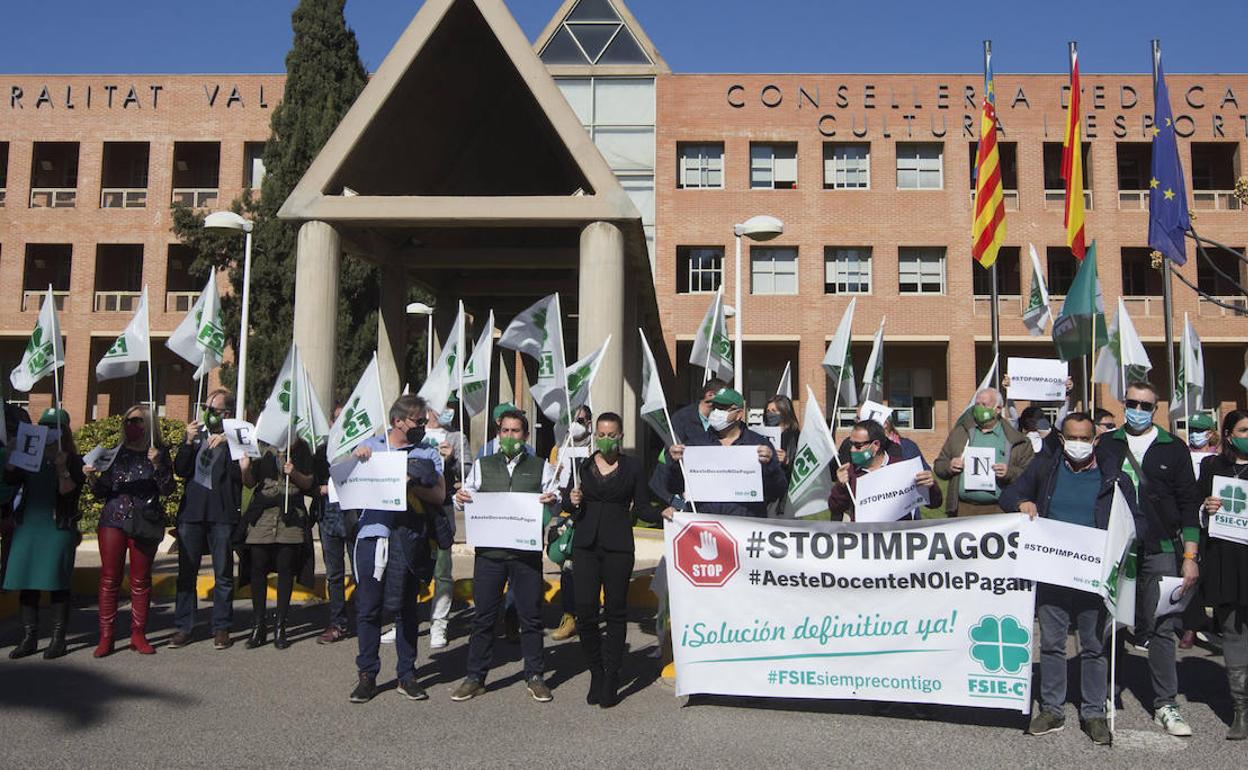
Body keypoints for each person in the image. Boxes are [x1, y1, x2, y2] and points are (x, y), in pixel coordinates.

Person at [1001, 413, 1141, 746]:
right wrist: (1022, 501)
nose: (1078, 444)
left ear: (1095, 440)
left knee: (1093, 646)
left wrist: (1121, 540)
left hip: (1093, 576)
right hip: (1052, 573)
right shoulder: (1044, 469)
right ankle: (1052, 709)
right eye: (1071, 438)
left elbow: (1138, 523)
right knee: (1051, 643)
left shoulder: (1116, 478)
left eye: (1085, 438)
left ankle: (1093, 713)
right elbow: (1008, 496)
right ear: (1062, 440)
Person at [1102, 381, 1201, 737]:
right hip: (1116, 548)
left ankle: (1165, 703)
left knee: (1162, 626)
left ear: (1155, 409)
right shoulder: (1107, 444)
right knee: (1111, 620)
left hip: (1159, 547)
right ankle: (1106, 690)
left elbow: (1190, 504)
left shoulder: (1172, 448)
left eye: (1146, 405)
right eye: (1133, 403)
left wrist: (1190, 556)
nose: (1139, 410)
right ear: (1123, 404)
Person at [452, 410, 560, 703]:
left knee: (531, 617)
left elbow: (556, 499)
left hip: (525, 555)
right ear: (498, 434)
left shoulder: (540, 467)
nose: (510, 437)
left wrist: (553, 500)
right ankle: (475, 677)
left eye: (516, 432)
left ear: (525, 436)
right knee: (484, 617)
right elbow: (464, 499)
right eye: (505, 431)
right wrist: (459, 498)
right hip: (490, 554)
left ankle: (535, 675)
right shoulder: (483, 465)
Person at [349, 394, 449, 704]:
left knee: (406, 608)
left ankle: (407, 674)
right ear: (398, 421)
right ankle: (367, 674)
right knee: (369, 608)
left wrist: (410, 483)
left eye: (424, 421)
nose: (422, 426)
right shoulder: (373, 447)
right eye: (418, 422)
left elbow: (439, 494)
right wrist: (356, 456)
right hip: (373, 536)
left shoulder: (427, 454)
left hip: (409, 537)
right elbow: (343, 479)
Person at [563, 412, 659, 707]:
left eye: (612, 435)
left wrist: (666, 512)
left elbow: (643, 507)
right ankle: (596, 670)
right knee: (586, 612)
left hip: (618, 547)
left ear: (621, 436)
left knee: (616, 612)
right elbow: (567, 505)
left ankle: (612, 676)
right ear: (595, 435)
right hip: (586, 547)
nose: (606, 439)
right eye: (601, 434)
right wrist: (571, 500)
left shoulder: (632, 467)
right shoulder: (582, 465)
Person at [85, 405, 174, 657]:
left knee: (140, 580)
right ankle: (107, 636)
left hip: (144, 520)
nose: (130, 425)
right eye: (127, 420)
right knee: (109, 579)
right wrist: (92, 478)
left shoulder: (158, 453)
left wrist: (158, 465)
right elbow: (102, 490)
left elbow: (167, 489)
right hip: (113, 518)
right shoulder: (115, 453)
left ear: (148, 425)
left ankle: (138, 633)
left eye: (136, 420)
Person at [4, 408, 85, 660]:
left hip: (57, 528)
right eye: (44, 426)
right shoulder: (30, 457)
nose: (49, 431)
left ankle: (58, 639)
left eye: (54, 427)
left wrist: (62, 468)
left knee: (56, 582)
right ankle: (29, 637)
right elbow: (10, 479)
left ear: (65, 431)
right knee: (27, 581)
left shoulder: (73, 460)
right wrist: (12, 455)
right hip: (29, 525)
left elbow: (69, 493)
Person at [170, 389, 243, 650]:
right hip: (192, 513)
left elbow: (241, 475)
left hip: (221, 514)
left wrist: (229, 444)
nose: (209, 414)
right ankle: (184, 626)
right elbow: (180, 470)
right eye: (207, 409)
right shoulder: (196, 435)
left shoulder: (235, 439)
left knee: (222, 573)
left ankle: (221, 627)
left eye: (215, 410)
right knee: (186, 574)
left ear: (226, 413)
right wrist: (187, 442)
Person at [1196, 409, 1248, 740]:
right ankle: (1241, 712)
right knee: (1233, 632)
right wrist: (1206, 508)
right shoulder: (1212, 467)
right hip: (1226, 562)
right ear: (1229, 434)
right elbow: (1195, 509)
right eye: (1244, 429)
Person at [237, 436, 316, 650]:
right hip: (262, 515)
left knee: (286, 570)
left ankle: (280, 627)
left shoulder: (301, 447)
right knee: (257, 569)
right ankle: (258, 626)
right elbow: (250, 482)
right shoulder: (262, 446)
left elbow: (308, 482)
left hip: (290, 516)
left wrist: (294, 473)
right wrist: (245, 468)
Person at [662, 388, 787, 519]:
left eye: (723, 408)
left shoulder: (758, 444)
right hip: (706, 524)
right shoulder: (696, 444)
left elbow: (777, 491)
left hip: (745, 524)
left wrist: (770, 465)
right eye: (714, 407)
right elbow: (674, 486)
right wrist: (675, 463)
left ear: (739, 414)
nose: (716, 412)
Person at [933, 387, 1034, 516]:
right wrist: (949, 466)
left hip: (1000, 510)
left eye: (984, 405)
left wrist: (1009, 472)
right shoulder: (960, 433)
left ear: (998, 409)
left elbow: (1030, 476)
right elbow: (939, 466)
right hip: (963, 509)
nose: (979, 408)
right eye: (977, 404)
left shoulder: (1017, 440)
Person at [827, 420, 940, 521]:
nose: (852, 450)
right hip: (864, 539)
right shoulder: (850, 472)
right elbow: (835, 508)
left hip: (896, 539)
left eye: (858, 446)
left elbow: (935, 503)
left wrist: (930, 486)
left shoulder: (902, 467)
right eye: (851, 444)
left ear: (875, 445)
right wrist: (840, 486)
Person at [314, 406, 358, 644]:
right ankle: (337, 622)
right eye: (337, 420)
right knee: (334, 574)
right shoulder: (322, 451)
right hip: (329, 518)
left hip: (354, 517)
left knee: (361, 570)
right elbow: (312, 483)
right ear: (331, 424)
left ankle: (365, 619)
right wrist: (321, 488)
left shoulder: (360, 451)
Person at [548, 405, 592, 642]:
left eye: (582, 420)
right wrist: (555, 473)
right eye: (574, 420)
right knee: (568, 568)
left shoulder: (595, 447)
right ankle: (569, 616)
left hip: (592, 516)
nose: (577, 424)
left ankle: (588, 618)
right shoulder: (559, 448)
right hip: (568, 516)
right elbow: (552, 487)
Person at [426, 400, 467, 649]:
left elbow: (468, 472)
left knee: (442, 571)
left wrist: (451, 460)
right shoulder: (416, 434)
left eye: (450, 405)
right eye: (443, 404)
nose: (448, 409)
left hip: (442, 512)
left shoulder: (456, 437)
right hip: (416, 511)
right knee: (407, 570)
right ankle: (401, 623)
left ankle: (439, 624)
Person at [1180, 411, 1218, 650]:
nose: (1194, 435)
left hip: (1214, 526)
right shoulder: (1182, 456)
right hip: (1190, 524)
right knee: (1190, 574)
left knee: (1214, 574)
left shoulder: (1219, 460)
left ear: (1211, 433)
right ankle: (1190, 626)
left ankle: (1219, 623)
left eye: (1199, 430)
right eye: (1191, 430)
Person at [763, 396, 800, 517]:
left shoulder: (794, 436)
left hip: (785, 498)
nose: (770, 415)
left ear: (784, 413)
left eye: (774, 411)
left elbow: (800, 469)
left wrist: (787, 460)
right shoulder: (761, 434)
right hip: (765, 493)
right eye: (768, 411)